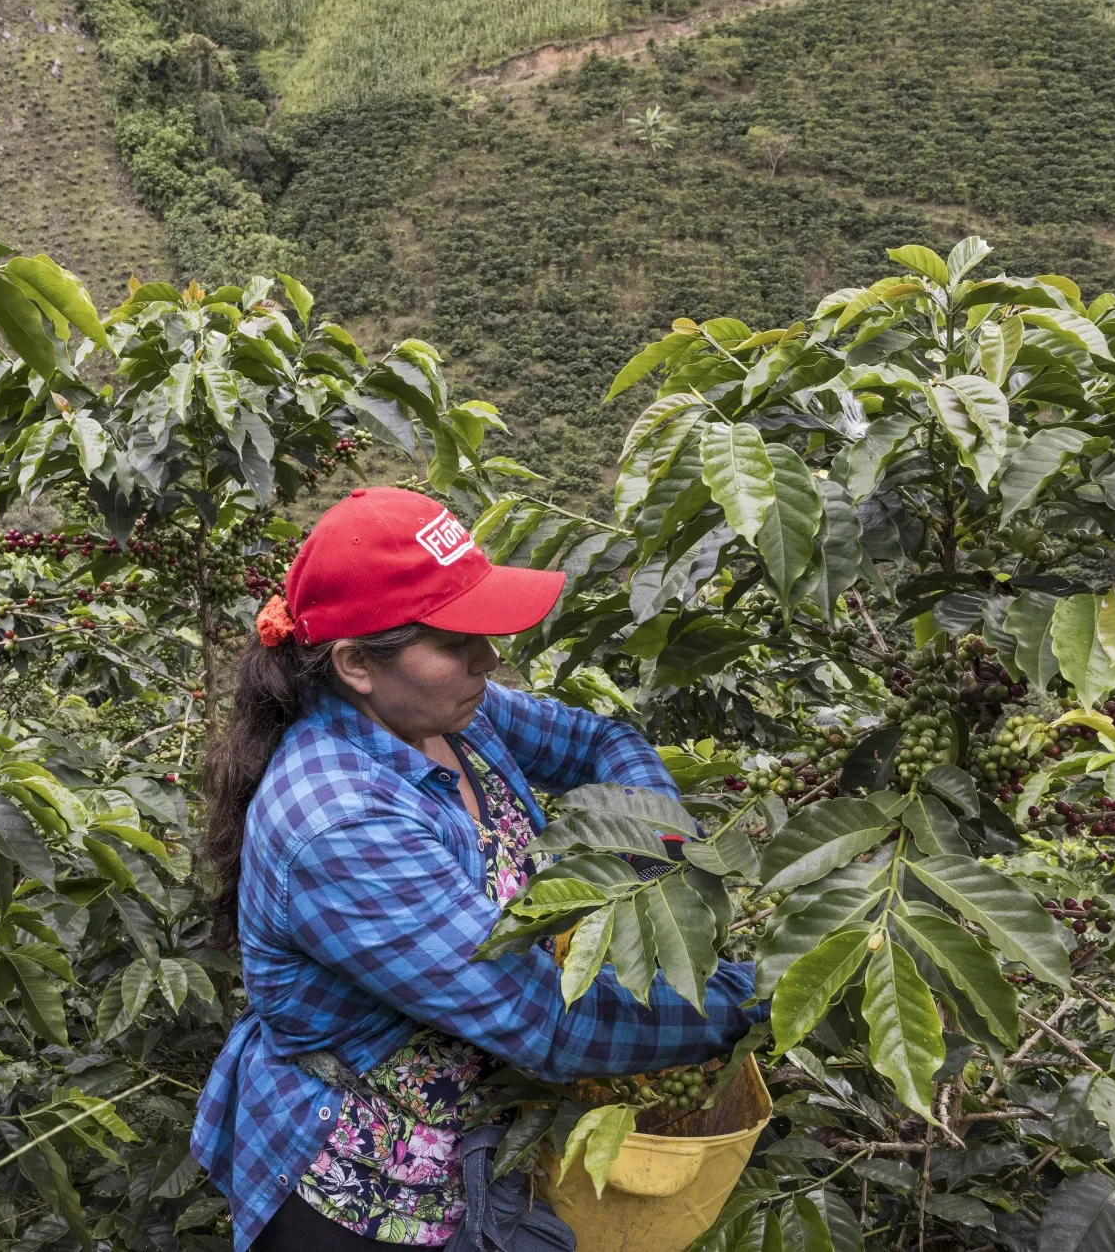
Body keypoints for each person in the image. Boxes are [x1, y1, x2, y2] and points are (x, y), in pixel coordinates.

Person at [191, 486, 765, 1252]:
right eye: (456, 641)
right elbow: (546, 1021)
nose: (487, 661)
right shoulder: (341, 823)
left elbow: (603, 744)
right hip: (360, 1197)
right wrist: (760, 992)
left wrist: (656, 856)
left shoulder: (452, 712)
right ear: (357, 663)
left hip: (481, 1144)